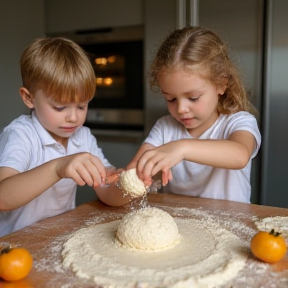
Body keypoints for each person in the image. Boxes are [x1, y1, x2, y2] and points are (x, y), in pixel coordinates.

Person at [0, 37, 129, 237]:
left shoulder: (82, 137)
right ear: (29, 98)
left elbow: (106, 192)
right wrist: (57, 168)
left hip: (58, 238)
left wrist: (126, 184)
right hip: (15, 246)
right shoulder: (21, 134)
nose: (73, 117)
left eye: (82, 106)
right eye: (60, 107)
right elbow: (3, 198)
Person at [127, 26, 261, 204]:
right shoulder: (165, 127)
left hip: (228, 226)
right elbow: (134, 172)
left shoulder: (238, 122)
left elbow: (240, 155)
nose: (181, 109)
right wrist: (137, 176)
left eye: (193, 98)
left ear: (221, 84)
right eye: (171, 99)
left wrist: (181, 149)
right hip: (180, 227)